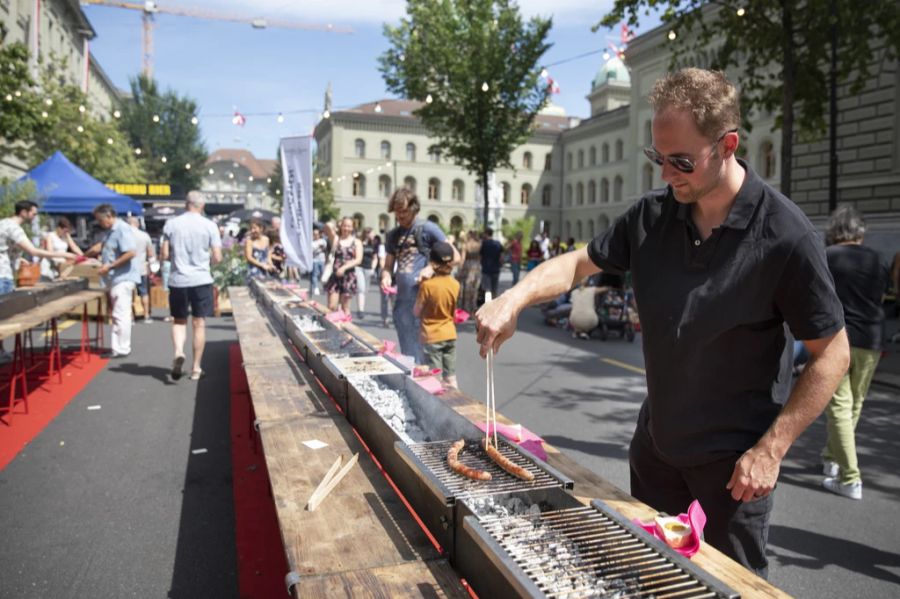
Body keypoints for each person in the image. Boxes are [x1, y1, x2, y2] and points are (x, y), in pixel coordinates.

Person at [475, 68, 850, 578]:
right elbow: (573, 265)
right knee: (650, 577)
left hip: (733, 472)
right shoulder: (651, 216)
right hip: (655, 451)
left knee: (725, 588)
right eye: (658, 158)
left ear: (727, 145)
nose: (667, 174)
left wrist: (772, 449)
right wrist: (513, 298)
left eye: (681, 161)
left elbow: (833, 353)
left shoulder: (785, 236)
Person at [819, 207, 889, 500]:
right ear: (860, 231)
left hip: (838, 338)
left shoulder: (830, 256)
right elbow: (882, 296)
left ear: (835, 230)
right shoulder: (878, 259)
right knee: (854, 403)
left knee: (839, 406)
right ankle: (832, 458)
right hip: (872, 337)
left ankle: (850, 477)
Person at [380, 188, 459, 362]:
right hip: (402, 304)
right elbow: (387, 266)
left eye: (404, 211)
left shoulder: (428, 229)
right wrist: (385, 276)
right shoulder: (393, 235)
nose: (399, 215)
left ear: (414, 208)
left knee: (427, 357)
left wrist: (432, 267)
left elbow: (455, 256)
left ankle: (431, 386)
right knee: (409, 355)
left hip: (425, 305)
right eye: (397, 211)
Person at [0, 201, 76, 361]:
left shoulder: (3, 223)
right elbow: (33, 250)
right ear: (24, 212)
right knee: (4, 318)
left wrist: (18, 259)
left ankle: (1, 351)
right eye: (33, 213)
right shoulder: (14, 227)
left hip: (5, 273)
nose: (34, 217)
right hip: (3, 276)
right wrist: (64, 255)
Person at [161, 191, 222, 381]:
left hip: (178, 279)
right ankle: (196, 368)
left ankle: (179, 351)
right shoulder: (210, 225)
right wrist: (206, 263)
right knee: (199, 323)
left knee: (179, 320)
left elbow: (164, 255)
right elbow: (218, 257)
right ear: (201, 205)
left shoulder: (171, 224)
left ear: (186, 204)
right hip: (201, 279)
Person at [89, 204, 139, 359]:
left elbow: (131, 252)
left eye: (100, 220)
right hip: (116, 278)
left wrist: (109, 266)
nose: (99, 223)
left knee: (120, 314)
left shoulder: (122, 229)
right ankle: (118, 347)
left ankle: (121, 348)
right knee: (118, 314)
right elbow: (100, 247)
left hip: (122, 278)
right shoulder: (111, 232)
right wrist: (83, 256)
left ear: (109, 216)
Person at [414, 241, 460, 389]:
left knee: (435, 378)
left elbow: (416, 311)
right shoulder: (455, 284)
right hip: (449, 333)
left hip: (431, 335)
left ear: (432, 262)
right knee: (451, 376)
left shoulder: (427, 286)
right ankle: (458, 402)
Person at [325, 216, 362, 313]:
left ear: (353, 228)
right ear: (341, 226)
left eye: (349, 226)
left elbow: (358, 260)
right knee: (331, 307)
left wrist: (344, 268)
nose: (346, 228)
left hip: (348, 277)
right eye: (344, 225)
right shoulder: (336, 239)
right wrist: (336, 225)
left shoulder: (356, 242)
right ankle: (333, 326)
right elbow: (327, 226)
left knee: (345, 308)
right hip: (335, 275)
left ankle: (344, 327)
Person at [128, 217, 155, 323]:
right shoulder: (144, 236)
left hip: (128, 269)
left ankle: (131, 317)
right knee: (144, 292)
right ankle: (146, 315)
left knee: (130, 294)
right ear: (137, 224)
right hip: (142, 268)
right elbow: (150, 253)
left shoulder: (125, 236)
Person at [457, 230, 482, 315]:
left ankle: (465, 309)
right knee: (475, 289)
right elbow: (480, 257)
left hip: (467, 266)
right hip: (477, 266)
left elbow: (462, 259)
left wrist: (459, 270)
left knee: (466, 289)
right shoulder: (479, 245)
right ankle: (473, 308)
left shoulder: (465, 245)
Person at [356, 227, 378, 319]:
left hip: (369, 269)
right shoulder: (359, 243)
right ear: (367, 234)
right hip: (359, 267)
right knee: (361, 288)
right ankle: (361, 310)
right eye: (372, 233)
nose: (373, 235)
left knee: (365, 290)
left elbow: (375, 258)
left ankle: (362, 307)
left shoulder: (373, 245)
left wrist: (373, 267)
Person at [480, 227, 503, 299]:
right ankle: (494, 302)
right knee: (494, 289)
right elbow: (501, 257)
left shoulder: (484, 244)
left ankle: (488, 304)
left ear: (486, 234)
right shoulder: (498, 243)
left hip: (486, 269)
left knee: (487, 289)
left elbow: (480, 255)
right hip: (496, 268)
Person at [310, 228, 327, 296]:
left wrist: (320, 248)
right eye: (314, 234)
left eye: (317, 234)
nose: (316, 235)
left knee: (323, 274)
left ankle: (324, 287)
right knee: (315, 274)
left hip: (322, 260)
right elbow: (312, 251)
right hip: (315, 260)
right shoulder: (312, 242)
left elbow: (324, 248)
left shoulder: (322, 241)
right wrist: (318, 248)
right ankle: (316, 288)